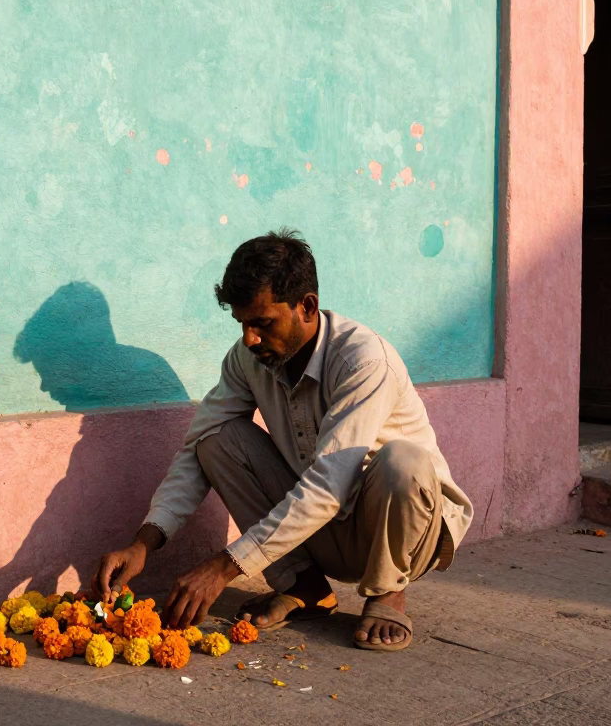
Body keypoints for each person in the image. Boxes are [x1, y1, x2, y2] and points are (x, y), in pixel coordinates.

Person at [92, 229, 472, 651]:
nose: (250, 338)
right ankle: (304, 586)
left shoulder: (364, 360)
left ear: (307, 306)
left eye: (263, 323)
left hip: (397, 532)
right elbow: (196, 448)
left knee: (403, 462)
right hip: (322, 531)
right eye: (242, 325)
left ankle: (388, 592)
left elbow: (329, 486)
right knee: (215, 440)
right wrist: (145, 542)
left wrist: (224, 567)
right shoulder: (246, 358)